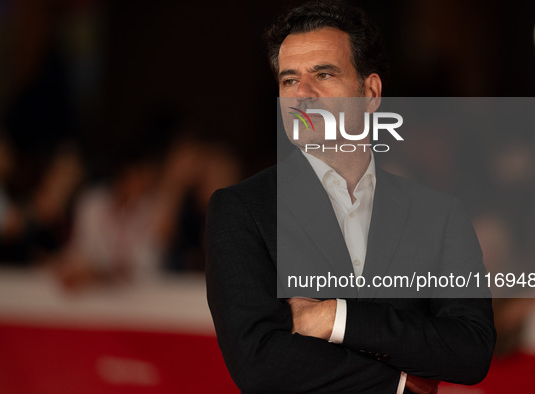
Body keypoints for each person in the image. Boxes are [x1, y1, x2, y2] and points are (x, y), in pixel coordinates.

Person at [206, 1, 496, 393]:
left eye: (323, 74)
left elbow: (470, 350)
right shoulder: (243, 209)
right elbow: (259, 362)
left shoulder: (438, 214)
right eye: (289, 80)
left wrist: (333, 317)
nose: (302, 94)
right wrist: (399, 382)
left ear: (370, 93)